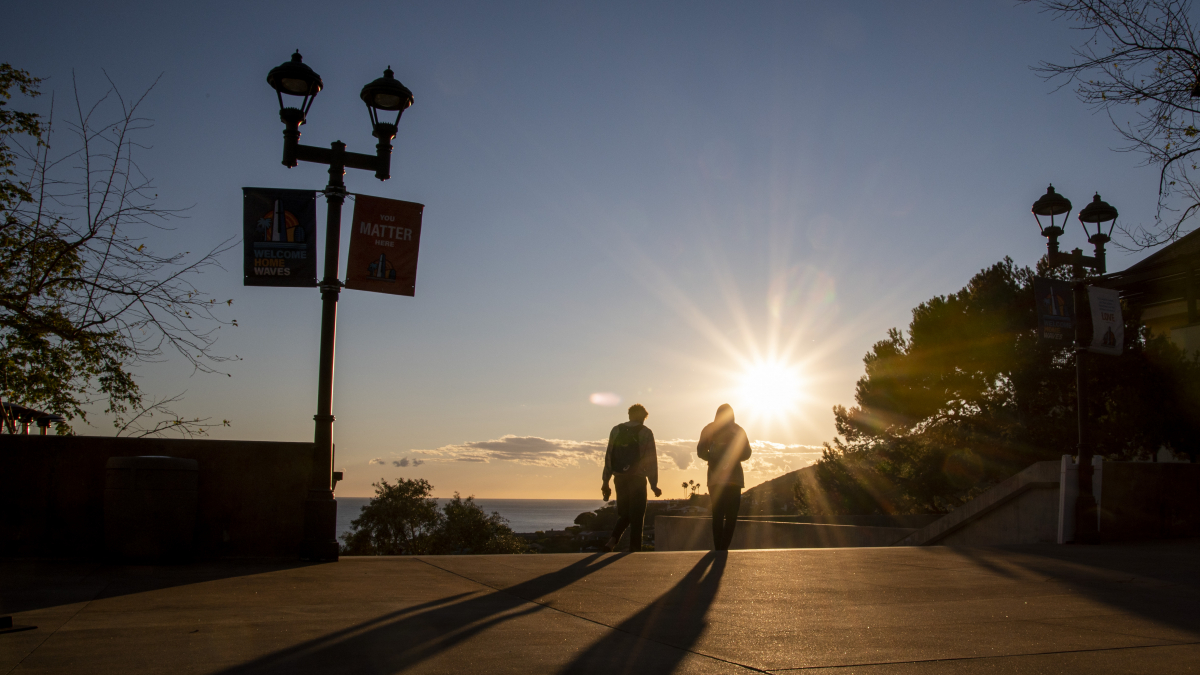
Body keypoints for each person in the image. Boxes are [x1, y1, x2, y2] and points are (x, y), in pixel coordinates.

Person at [601, 403, 662, 552]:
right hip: (637, 478)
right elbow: (651, 459)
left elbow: (609, 456)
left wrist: (605, 481)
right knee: (637, 515)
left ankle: (612, 541)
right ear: (643, 417)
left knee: (625, 514)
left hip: (619, 478)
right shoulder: (646, 432)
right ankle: (635, 549)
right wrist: (653, 484)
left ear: (629, 415)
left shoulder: (616, 430)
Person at [697, 404, 752, 551]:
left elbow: (700, 451)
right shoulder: (738, 430)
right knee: (731, 516)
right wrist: (733, 457)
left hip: (715, 479)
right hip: (734, 479)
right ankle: (724, 547)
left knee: (718, 514)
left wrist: (713, 458)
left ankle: (719, 548)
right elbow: (747, 453)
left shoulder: (709, 428)